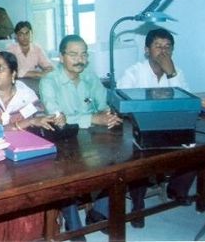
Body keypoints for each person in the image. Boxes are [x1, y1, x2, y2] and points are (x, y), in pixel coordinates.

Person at [39, 34, 122, 233]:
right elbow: (58, 119)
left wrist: (108, 115)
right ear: (61, 57)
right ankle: (72, 220)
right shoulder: (49, 81)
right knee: (66, 173)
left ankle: (98, 211)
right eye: (73, 54)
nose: (80, 60)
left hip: (92, 135)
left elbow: (102, 106)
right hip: (63, 140)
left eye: (84, 55)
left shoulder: (90, 76)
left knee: (119, 160)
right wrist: (93, 118)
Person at [0, 51, 62, 241]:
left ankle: (41, 232)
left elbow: (39, 120)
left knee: (43, 183)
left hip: (28, 156)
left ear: (13, 74)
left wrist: (55, 119)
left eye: (0, 68)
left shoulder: (26, 94)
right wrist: (26, 123)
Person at [118, 28, 194, 228]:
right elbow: (123, 102)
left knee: (195, 149)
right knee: (138, 158)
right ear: (146, 50)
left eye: (167, 47)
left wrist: (171, 73)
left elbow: (186, 101)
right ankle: (137, 204)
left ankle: (176, 190)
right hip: (139, 126)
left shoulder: (177, 72)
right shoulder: (134, 72)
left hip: (169, 125)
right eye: (157, 46)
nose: (163, 51)